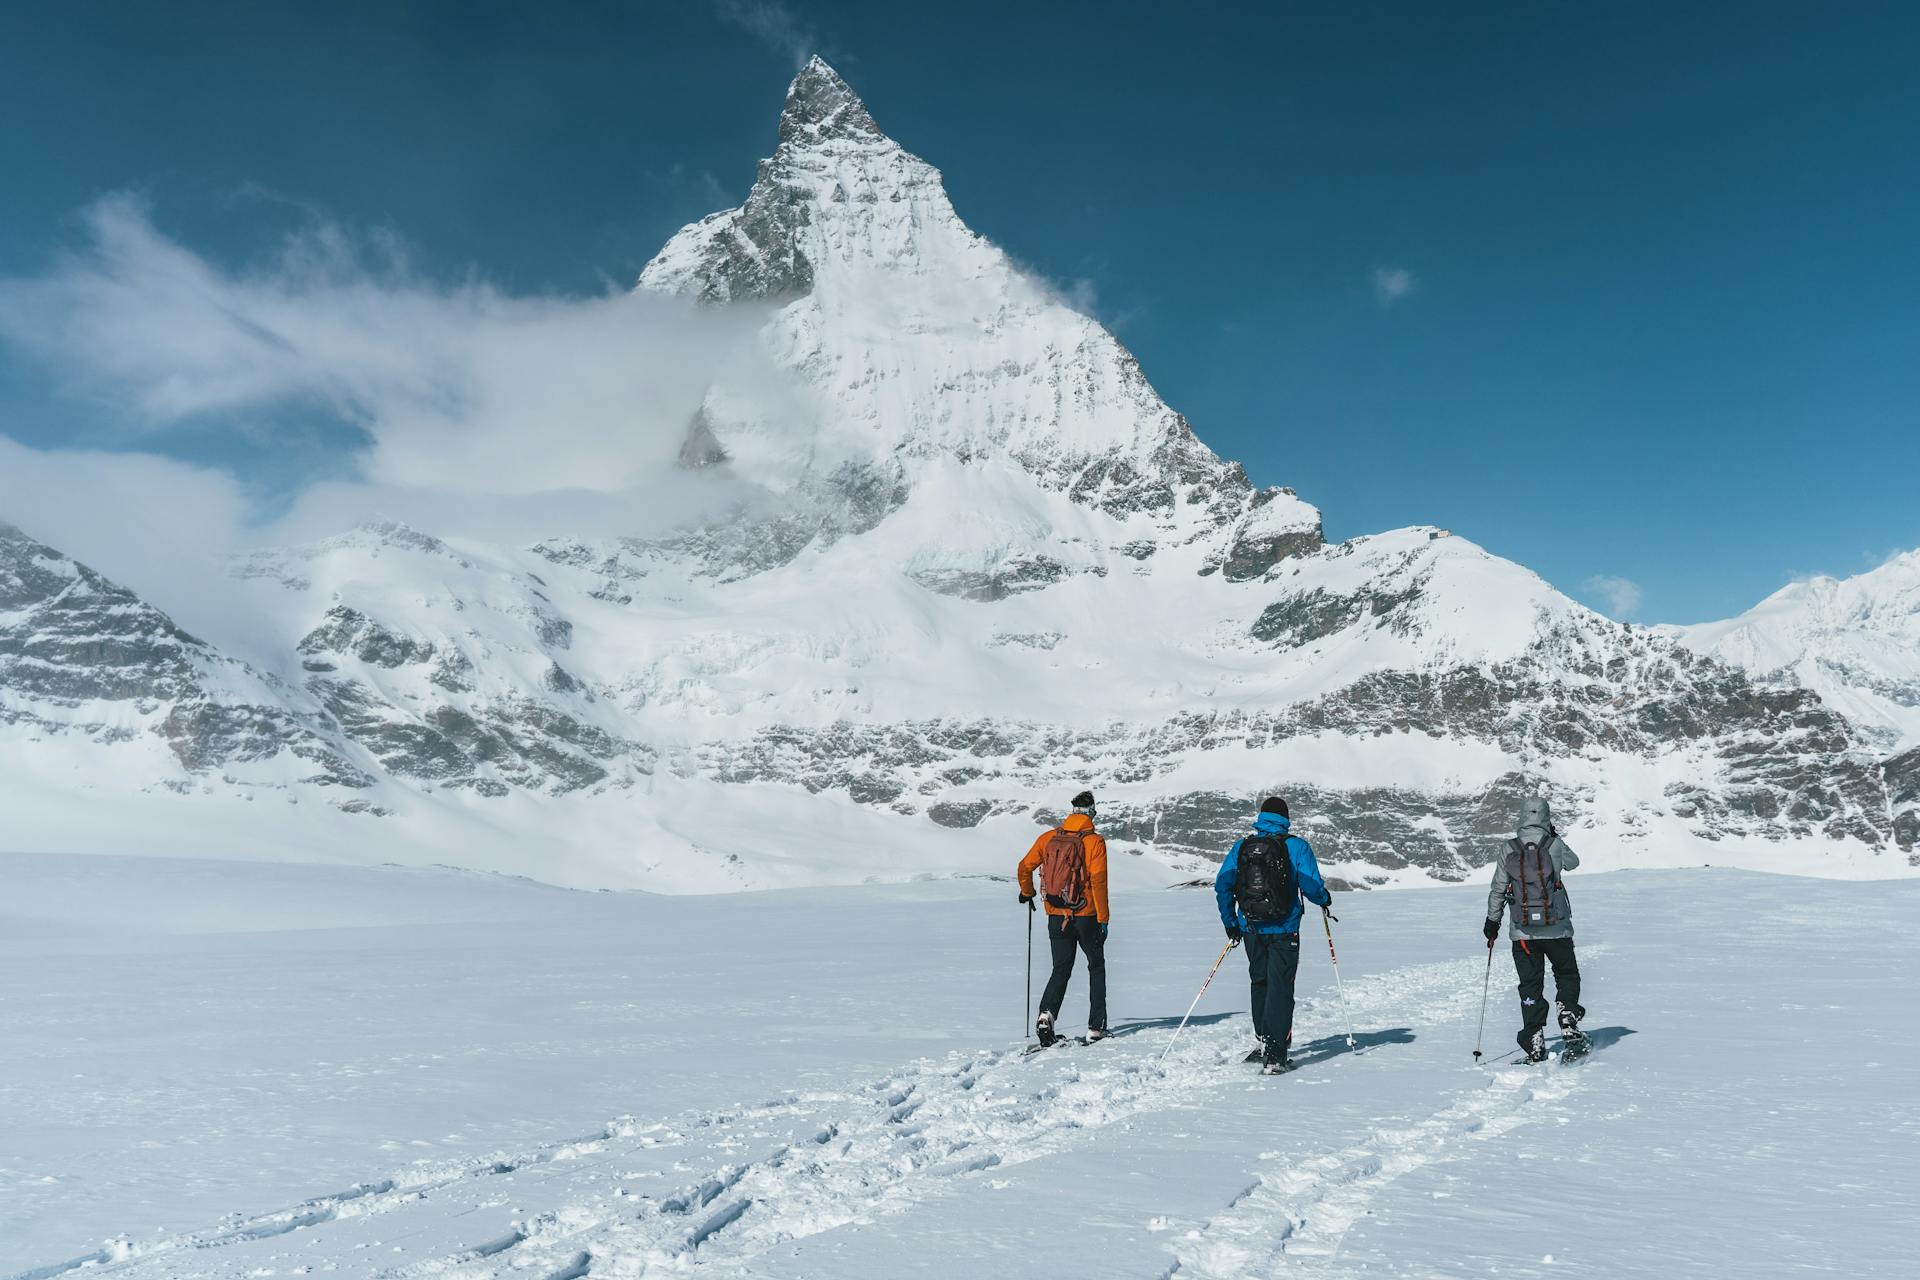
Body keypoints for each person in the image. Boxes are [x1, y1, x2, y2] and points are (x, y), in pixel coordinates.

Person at [1213, 796, 1332, 1072]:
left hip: (1251, 927)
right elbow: (1311, 885)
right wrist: (1325, 899)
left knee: (1260, 981)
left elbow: (1223, 885)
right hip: (1285, 928)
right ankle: (1276, 1054)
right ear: (1286, 818)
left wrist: (1230, 922)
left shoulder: (1242, 847)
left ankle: (1264, 1041)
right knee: (1281, 987)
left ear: (1262, 817)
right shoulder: (1296, 846)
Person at [1483, 796, 1587, 1063]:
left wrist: (1492, 922)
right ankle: (1568, 1013)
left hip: (1523, 932)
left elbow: (1498, 888)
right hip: (1558, 929)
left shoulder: (1509, 848)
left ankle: (1534, 1039)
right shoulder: (1555, 844)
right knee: (1566, 973)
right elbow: (1574, 863)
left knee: (1530, 984)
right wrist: (1555, 837)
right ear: (1546, 817)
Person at [1017, 790, 1110, 1045]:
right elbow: (1099, 881)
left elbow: (1024, 867)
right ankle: (1096, 1028)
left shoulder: (1048, 838)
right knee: (1096, 967)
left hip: (1056, 915)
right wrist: (1104, 918)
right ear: (1091, 811)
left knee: (1060, 969)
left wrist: (1028, 892)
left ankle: (1046, 1014)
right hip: (1087, 915)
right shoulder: (1094, 842)